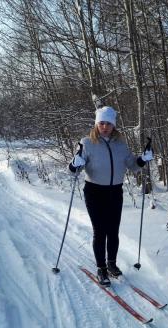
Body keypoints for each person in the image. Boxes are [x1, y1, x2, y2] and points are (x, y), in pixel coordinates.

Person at [69, 106, 153, 286]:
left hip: (115, 192)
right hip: (94, 192)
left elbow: (132, 165)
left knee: (113, 231)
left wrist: (142, 159)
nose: (105, 127)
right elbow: (75, 168)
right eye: (101, 123)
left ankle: (111, 264)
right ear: (96, 124)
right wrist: (75, 164)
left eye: (108, 123)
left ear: (113, 125)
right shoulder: (87, 143)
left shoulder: (120, 144)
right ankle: (101, 268)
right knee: (100, 232)